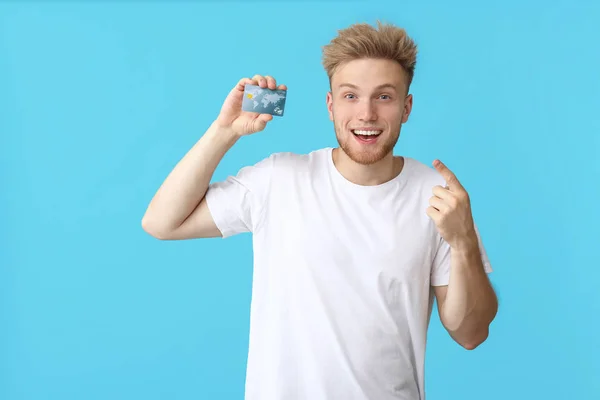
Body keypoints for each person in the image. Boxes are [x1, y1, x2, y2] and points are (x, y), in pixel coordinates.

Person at [142, 20, 498, 400]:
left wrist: (462, 243)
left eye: (384, 97)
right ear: (330, 105)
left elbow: (471, 333)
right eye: (350, 96)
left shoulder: (437, 198)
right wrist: (224, 130)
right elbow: (161, 222)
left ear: (406, 107)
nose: (366, 114)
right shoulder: (280, 179)